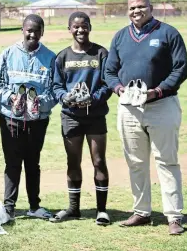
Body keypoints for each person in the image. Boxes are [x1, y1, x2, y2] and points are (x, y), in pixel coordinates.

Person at [105, 0, 187, 235]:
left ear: (151, 8)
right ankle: (141, 211)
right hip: (129, 108)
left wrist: (157, 91)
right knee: (136, 162)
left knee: (167, 161)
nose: (136, 11)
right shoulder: (121, 36)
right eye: (132, 7)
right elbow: (109, 71)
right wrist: (119, 89)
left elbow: (180, 68)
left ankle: (173, 216)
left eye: (141, 6)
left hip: (161, 105)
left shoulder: (168, 33)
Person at [0, 14, 57, 222]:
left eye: (36, 30)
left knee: (32, 163)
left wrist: (39, 102)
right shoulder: (8, 54)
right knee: (12, 163)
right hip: (11, 118)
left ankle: (34, 206)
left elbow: (56, 90)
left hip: (37, 121)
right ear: (22, 30)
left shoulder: (50, 57)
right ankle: (9, 207)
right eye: (29, 30)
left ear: (42, 32)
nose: (32, 34)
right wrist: (12, 99)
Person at [51, 12, 112, 225]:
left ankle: (102, 210)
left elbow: (108, 83)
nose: (80, 30)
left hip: (95, 116)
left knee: (98, 160)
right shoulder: (62, 57)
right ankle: (74, 209)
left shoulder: (101, 53)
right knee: (73, 161)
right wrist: (65, 98)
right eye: (75, 26)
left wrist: (93, 99)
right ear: (69, 29)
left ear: (90, 27)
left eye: (84, 26)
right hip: (71, 118)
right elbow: (56, 86)